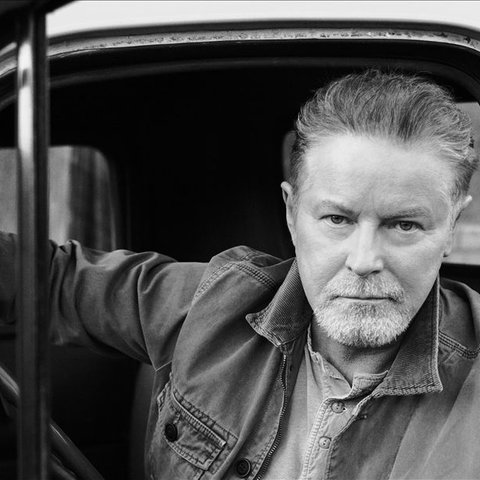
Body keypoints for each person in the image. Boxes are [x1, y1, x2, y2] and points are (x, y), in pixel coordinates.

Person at [1, 69, 480, 480]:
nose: (363, 259)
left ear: (452, 228)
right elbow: (48, 277)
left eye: (404, 225)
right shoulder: (215, 304)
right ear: (292, 213)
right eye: (338, 219)